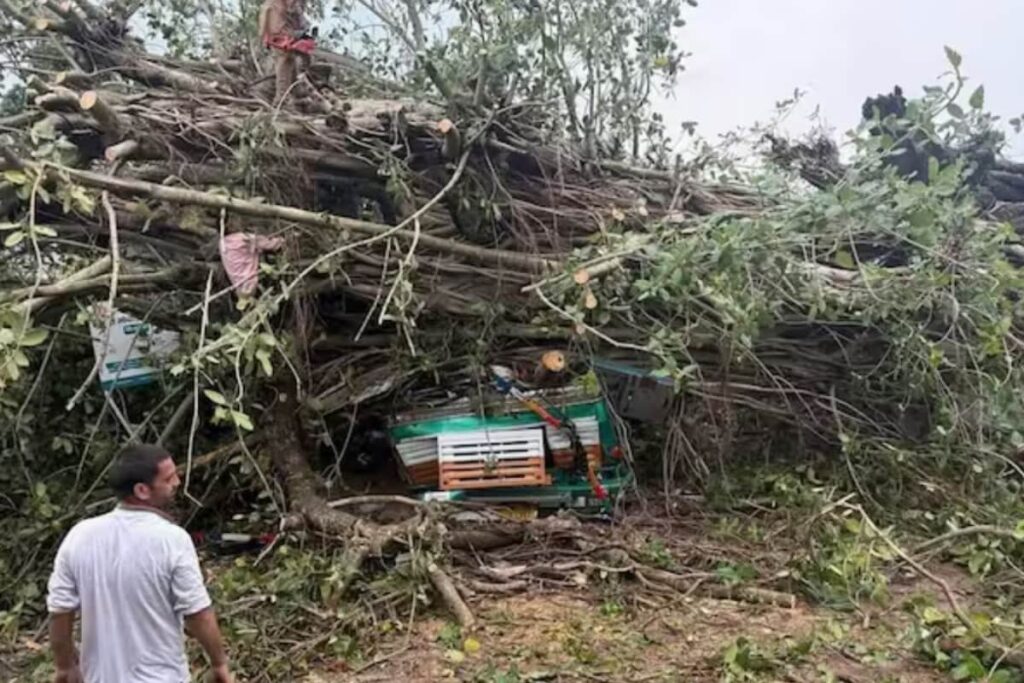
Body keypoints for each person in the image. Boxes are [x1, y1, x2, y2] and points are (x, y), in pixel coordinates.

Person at [46, 444, 232, 683]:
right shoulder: (171, 539)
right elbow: (197, 613)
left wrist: (64, 666)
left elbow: (60, 611)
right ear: (142, 490)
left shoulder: (80, 536)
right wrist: (219, 663)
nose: (177, 482)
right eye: (168, 478)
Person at [258, 0, 315, 102]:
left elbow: (297, 14)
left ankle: (295, 92)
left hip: (285, 31)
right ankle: (282, 99)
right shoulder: (274, 6)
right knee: (285, 61)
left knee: (290, 60)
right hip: (280, 33)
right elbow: (292, 9)